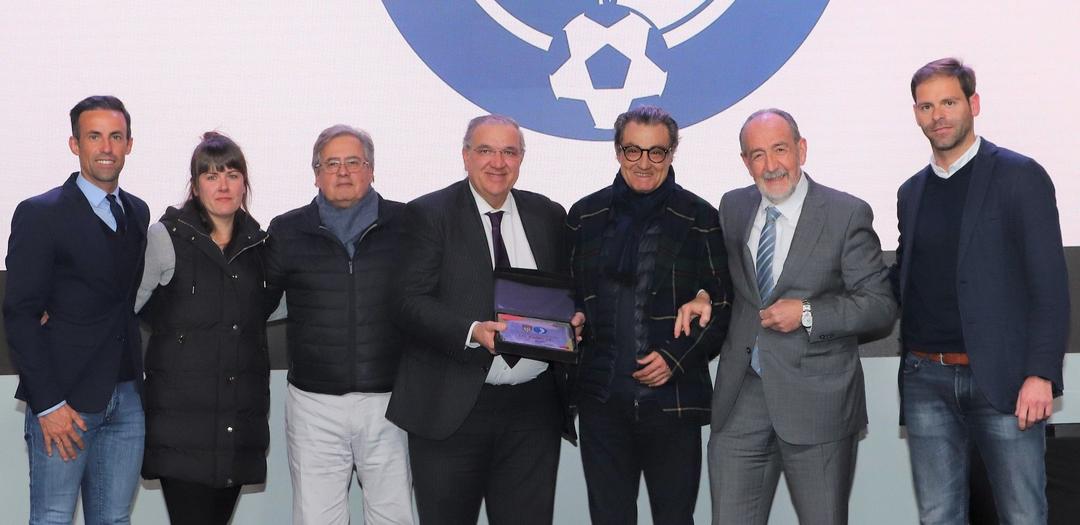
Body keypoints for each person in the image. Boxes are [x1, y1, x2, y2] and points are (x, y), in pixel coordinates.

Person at [678, 108, 896, 524]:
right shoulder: (733, 206)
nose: (770, 165)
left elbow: (879, 305)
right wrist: (705, 294)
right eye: (757, 155)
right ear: (745, 162)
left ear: (802, 149)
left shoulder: (846, 213)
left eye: (780, 149)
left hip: (818, 401)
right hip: (741, 397)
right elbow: (723, 278)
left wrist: (809, 313)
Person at [890, 57, 1069, 524]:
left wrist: (1040, 373)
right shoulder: (911, 192)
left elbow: (1050, 286)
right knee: (938, 516)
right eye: (926, 106)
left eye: (949, 102)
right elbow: (904, 280)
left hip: (1004, 381)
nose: (938, 115)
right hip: (926, 378)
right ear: (916, 114)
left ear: (974, 104)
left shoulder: (1020, 175)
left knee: (1023, 515)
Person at [386, 114, 581, 525]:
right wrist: (472, 331)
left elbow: (568, 290)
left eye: (509, 152)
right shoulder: (428, 213)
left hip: (533, 411)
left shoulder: (547, 214)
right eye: (486, 150)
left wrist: (576, 319)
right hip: (451, 407)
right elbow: (406, 301)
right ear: (465, 156)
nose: (498, 162)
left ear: (521, 158)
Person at [565, 105, 731, 524]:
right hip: (601, 403)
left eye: (656, 152)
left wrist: (674, 358)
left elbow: (724, 304)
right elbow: (569, 295)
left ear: (672, 153)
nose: (644, 162)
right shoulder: (584, 216)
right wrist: (572, 317)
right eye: (633, 151)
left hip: (672, 405)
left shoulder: (700, 217)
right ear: (617, 152)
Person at [3, 95, 150, 524]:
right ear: (75, 144)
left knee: (115, 519)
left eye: (116, 137)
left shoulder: (138, 212)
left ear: (129, 144)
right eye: (94, 136)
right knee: (52, 518)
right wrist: (48, 405)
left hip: (126, 397)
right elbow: (20, 314)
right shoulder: (40, 213)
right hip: (64, 402)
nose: (106, 147)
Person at [263, 125, 414, 525]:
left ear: (371, 170)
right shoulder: (287, 230)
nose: (343, 172)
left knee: (393, 515)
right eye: (331, 163)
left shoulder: (408, 224)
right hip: (314, 402)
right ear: (316, 174)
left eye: (353, 162)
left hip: (390, 401)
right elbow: (257, 303)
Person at [135, 132, 271, 524]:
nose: (223, 185)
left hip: (236, 430)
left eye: (232, 174)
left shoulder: (260, 246)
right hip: (181, 433)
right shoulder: (165, 238)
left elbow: (268, 309)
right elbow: (127, 305)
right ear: (195, 187)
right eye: (211, 176)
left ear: (244, 184)